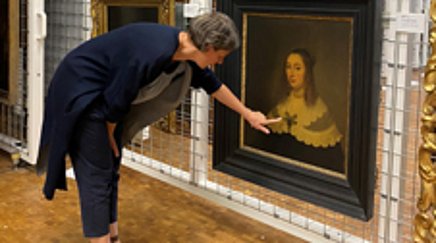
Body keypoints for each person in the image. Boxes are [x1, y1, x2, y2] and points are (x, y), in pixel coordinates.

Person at [36, 12, 280, 243]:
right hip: (82, 92)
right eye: (221, 56)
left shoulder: (187, 54)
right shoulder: (153, 51)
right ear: (208, 47)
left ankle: (113, 236)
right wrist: (109, 133)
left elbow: (213, 86)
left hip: (107, 97)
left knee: (110, 168)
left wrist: (248, 114)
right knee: (97, 174)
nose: (219, 62)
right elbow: (116, 100)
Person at [266, 48, 344, 172]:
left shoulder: (319, 112)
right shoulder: (281, 107)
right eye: (288, 67)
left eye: (297, 68)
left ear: (307, 72)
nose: (291, 74)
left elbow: (331, 161)